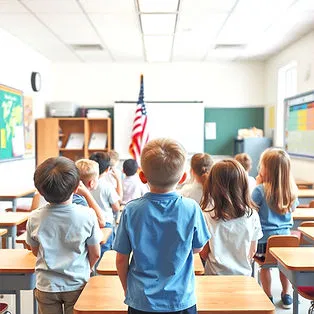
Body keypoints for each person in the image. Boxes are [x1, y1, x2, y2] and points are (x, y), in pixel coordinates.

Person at [113, 138, 210, 314]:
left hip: (141, 300)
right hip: (181, 300)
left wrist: (128, 290)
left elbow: (121, 258)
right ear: (183, 177)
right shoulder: (191, 208)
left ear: (142, 176)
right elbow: (198, 248)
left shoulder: (131, 210)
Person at [26, 156, 102, 314]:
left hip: (46, 285)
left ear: (40, 191)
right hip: (77, 282)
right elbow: (95, 253)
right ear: (76, 189)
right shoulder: (88, 215)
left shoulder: (34, 217)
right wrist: (88, 268)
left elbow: (35, 250)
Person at [252, 148, 299, 308]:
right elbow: (292, 210)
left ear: (266, 169)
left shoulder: (260, 190)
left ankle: (268, 296)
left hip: (265, 243)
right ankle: (286, 294)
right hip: (287, 241)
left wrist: (258, 185)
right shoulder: (291, 191)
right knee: (283, 267)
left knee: (265, 267)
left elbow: (251, 209)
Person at [200, 159, 263, 276]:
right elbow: (252, 251)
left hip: (214, 277)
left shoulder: (206, 215)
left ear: (212, 185)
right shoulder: (252, 214)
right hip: (243, 278)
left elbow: (204, 253)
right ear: (243, 185)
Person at [89, 152, 121, 253]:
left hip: (89, 222)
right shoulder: (107, 186)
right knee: (105, 253)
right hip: (105, 224)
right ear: (107, 169)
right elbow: (116, 207)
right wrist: (118, 180)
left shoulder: (84, 184)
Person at [75, 159, 105, 227]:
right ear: (91, 183)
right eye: (97, 178)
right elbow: (101, 222)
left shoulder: (77, 197)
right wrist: (87, 194)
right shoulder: (79, 200)